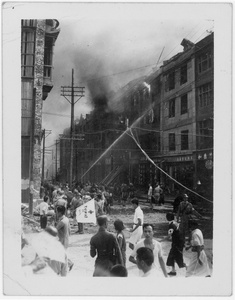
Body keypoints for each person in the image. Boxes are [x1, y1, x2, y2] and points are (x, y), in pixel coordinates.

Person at [56, 206, 74, 274]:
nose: (56, 213)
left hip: (62, 242)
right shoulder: (66, 219)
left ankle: (60, 270)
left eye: (57, 212)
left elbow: (55, 229)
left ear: (60, 212)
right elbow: (69, 230)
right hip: (65, 240)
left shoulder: (62, 222)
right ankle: (69, 263)